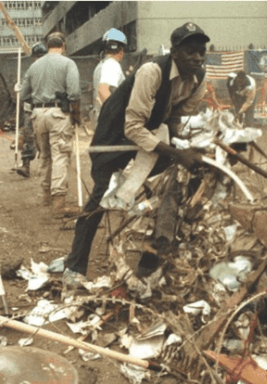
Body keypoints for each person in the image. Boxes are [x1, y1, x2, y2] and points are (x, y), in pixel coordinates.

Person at [63, 22, 210, 285]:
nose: (198, 57)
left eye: (202, 51)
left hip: (150, 134)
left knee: (172, 186)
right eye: (191, 51)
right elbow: (132, 127)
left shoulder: (199, 78)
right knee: (102, 197)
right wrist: (178, 153)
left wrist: (183, 147)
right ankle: (75, 264)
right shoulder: (152, 72)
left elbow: (175, 118)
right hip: (115, 134)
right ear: (175, 52)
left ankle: (150, 261)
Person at [19, 32, 82, 217]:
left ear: (47, 47)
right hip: (58, 114)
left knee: (45, 155)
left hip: (38, 114)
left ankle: (46, 195)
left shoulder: (34, 66)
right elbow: (74, 93)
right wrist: (76, 115)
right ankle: (59, 203)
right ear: (63, 46)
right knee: (60, 155)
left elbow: (23, 94)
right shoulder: (68, 63)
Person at [15, 41, 47, 178]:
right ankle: (26, 165)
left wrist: (21, 90)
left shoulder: (47, 70)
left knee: (44, 138)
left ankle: (45, 166)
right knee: (29, 136)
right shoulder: (31, 70)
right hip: (32, 108)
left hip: (43, 108)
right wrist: (20, 88)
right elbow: (24, 92)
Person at [91, 28, 127, 127]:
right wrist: (116, 115)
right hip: (110, 121)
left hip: (102, 118)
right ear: (121, 51)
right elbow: (103, 90)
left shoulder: (102, 65)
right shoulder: (112, 65)